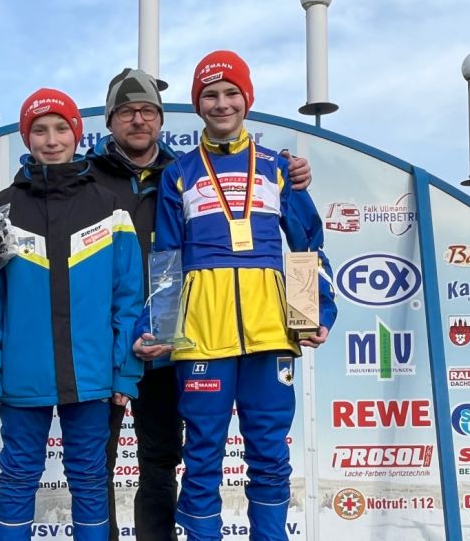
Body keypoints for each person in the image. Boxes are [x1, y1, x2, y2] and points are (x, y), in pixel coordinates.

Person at [0, 68, 314, 541]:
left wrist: (290, 172)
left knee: (162, 459)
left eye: (147, 110)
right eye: (126, 112)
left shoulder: (184, 170)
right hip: (102, 346)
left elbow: (294, 233)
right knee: (93, 467)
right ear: (108, 122)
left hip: (169, 339)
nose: (137, 120)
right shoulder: (88, 174)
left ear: (161, 118)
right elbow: (26, 193)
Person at [135, 50, 337, 541]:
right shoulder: (179, 173)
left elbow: (307, 243)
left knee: (270, 453)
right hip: (203, 337)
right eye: (210, 95)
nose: (221, 104)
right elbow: (167, 257)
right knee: (202, 454)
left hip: (272, 333)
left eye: (230, 94)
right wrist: (158, 328)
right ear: (197, 105)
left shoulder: (277, 167)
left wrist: (313, 312)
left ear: (247, 99)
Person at [0, 88, 144, 540]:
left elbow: (128, 299)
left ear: (77, 134)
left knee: (89, 480)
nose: (51, 139)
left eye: (61, 128)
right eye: (39, 130)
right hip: (22, 380)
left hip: (91, 377)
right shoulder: (1, 210)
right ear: (27, 138)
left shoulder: (109, 205)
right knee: (19, 477)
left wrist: (125, 374)